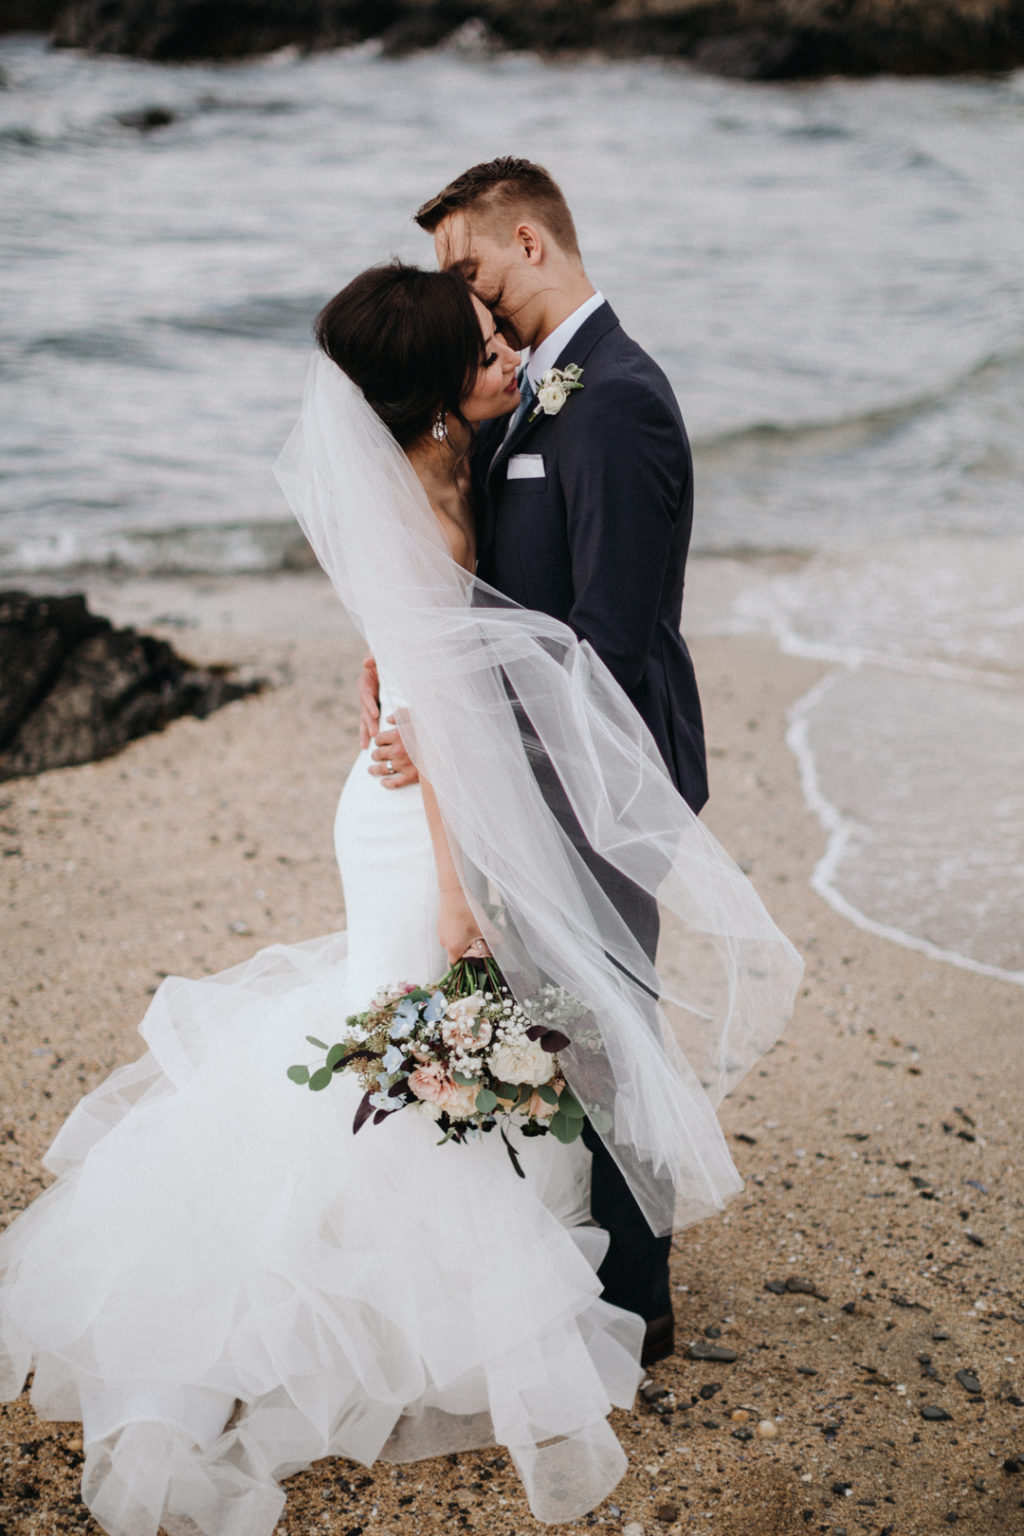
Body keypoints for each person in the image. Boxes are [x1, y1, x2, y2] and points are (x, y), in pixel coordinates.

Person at [0, 261, 801, 1536]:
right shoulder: (427, 512)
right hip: (416, 820)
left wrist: (397, 703)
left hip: (431, 791)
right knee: (410, 1009)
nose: (506, 359)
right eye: (483, 350)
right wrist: (454, 882)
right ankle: (334, 1308)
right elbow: (428, 701)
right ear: (436, 392)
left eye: (498, 335)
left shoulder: (443, 476)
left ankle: (444, 1282)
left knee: (417, 1028)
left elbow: (422, 666)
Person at [362, 158, 705, 1363]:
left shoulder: (614, 398)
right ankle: (582, 1255)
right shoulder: (533, 400)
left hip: (593, 776)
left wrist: (518, 776)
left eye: (471, 271)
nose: (470, 301)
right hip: (525, 773)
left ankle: (640, 1305)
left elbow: (607, 642)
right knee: (563, 1022)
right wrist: (410, 679)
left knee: (609, 1029)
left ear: (528, 239)